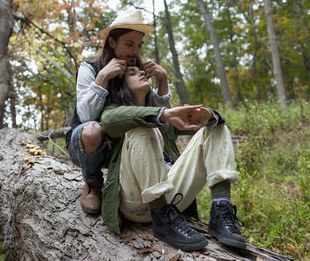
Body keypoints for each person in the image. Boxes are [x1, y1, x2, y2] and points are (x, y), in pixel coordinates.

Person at [99, 66, 246, 251]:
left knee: (216, 126)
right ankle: (161, 218)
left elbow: (201, 122)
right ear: (121, 86)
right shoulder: (113, 111)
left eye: (142, 71)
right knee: (143, 125)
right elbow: (108, 121)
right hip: (135, 202)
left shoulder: (164, 116)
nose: (141, 73)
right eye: (132, 73)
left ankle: (220, 210)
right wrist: (161, 114)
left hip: (172, 199)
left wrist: (207, 115)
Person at [66, 9, 170, 215]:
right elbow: (86, 116)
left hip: (125, 144)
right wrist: (103, 77)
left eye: (139, 45)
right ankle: (93, 182)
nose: (135, 52)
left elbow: (160, 117)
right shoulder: (90, 68)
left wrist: (163, 80)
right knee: (92, 130)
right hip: (86, 145)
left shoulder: (137, 68)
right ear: (112, 42)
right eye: (129, 44)